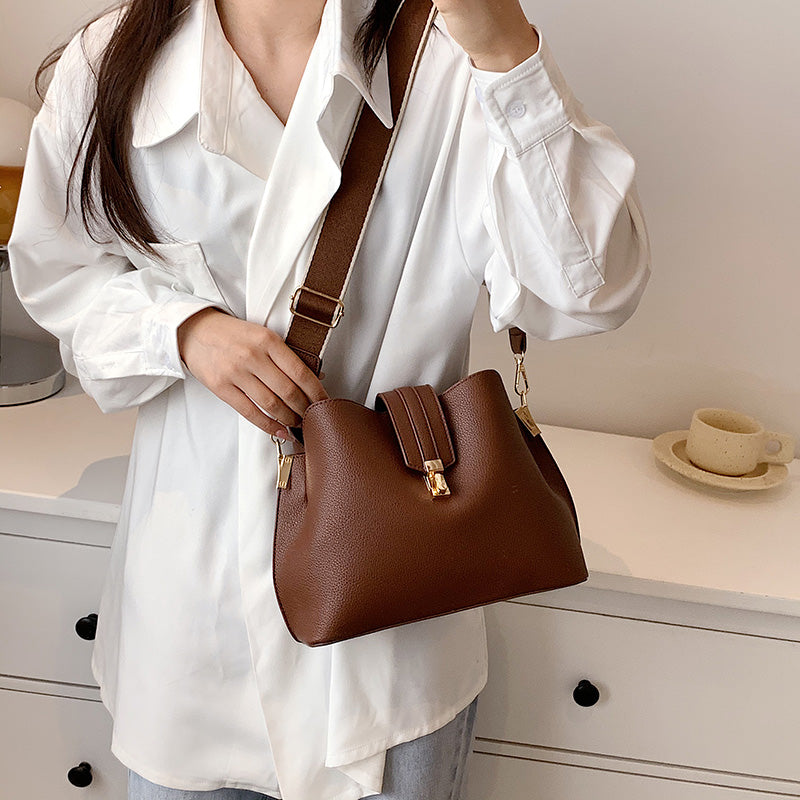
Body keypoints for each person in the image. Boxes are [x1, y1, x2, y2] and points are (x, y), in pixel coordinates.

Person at [8, 0, 652, 798]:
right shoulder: (112, 61)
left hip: (392, 634)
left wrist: (508, 55)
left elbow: (590, 291)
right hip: (190, 620)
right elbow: (59, 273)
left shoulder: (451, 60)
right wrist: (180, 330)